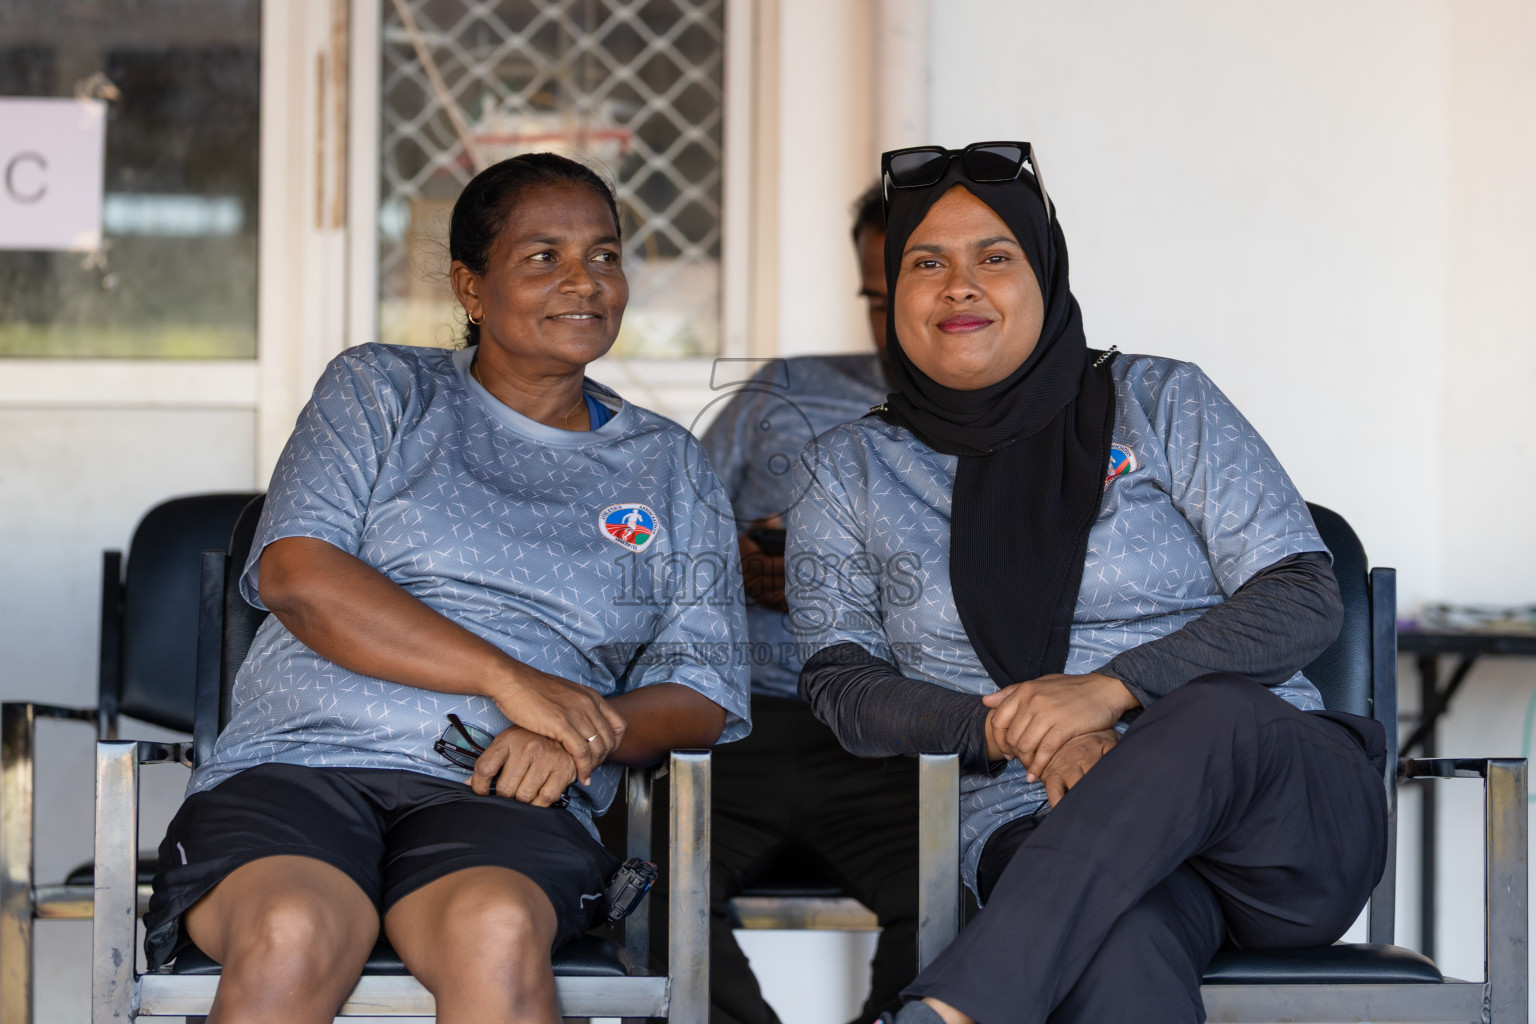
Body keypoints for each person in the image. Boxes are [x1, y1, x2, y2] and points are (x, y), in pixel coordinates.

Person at [141, 153, 751, 1024]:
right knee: (289, 929)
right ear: (471, 285)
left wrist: (586, 728)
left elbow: (705, 690)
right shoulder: (382, 389)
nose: (586, 281)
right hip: (304, 762)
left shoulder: (666, 465)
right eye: (543, 256)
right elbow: (298, 575)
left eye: (606, 255)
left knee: (495, 929)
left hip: (507, 788)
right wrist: (515, 684)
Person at [788, 142, 1387, 1024]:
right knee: (1116, 950)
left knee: (1212, 709)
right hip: (1041, 821)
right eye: (927, 262)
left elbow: (1301, 594)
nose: (960, 286)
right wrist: (1031, 730)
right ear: (893, 292)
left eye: (995, 257)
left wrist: (1109, 693)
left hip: (1276, 826)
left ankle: (953, 1010)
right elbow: (841, 684)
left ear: (1046, 273)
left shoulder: (1164, 400)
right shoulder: (847, 470)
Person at [689, 186, 918, 1024]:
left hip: (893, 744)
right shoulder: (785, 391)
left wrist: (845, 587)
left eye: (917, 296)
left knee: (965, 897)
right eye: (877, 302)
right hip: (735, 722)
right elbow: (672, 535)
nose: (893, 329)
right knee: (632, 887)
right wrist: (735, 559)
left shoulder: (1016, 438)